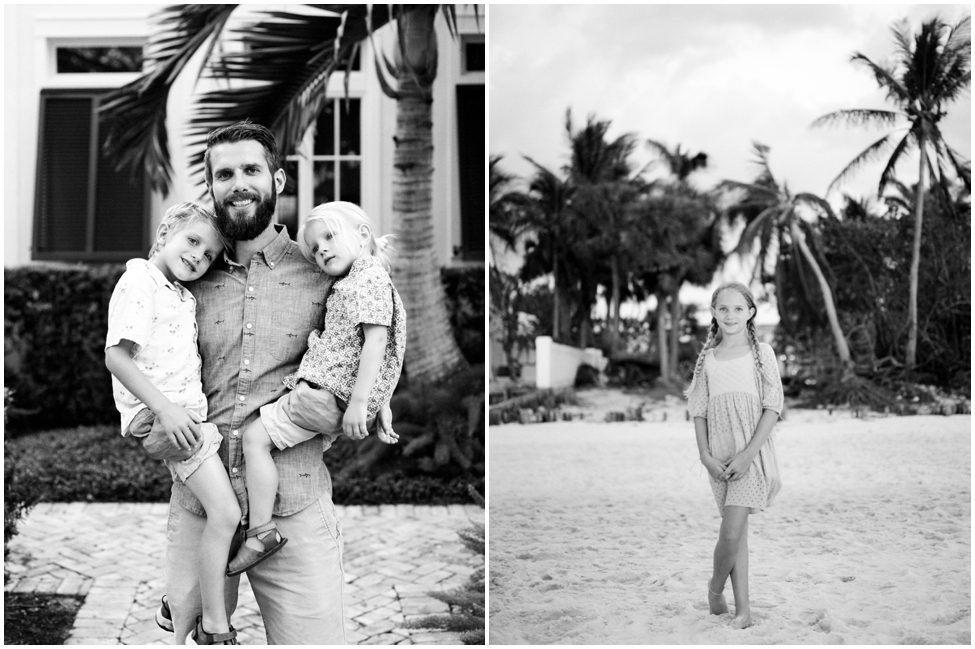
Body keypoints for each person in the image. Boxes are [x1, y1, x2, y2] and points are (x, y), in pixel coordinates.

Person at [141, 121, 395, 644]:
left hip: (295, 506)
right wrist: (153, 426)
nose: (239, 183)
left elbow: (377, 335)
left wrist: (358, 404)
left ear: (277, 178)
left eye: (251, 169)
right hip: (200, 504)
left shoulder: (325, 270)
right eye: (224, 173)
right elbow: (141, 359)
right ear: (210, 187)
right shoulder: (188, 274)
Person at [227, 201, 405, 576]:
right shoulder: (361, 277)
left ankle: (259, 532)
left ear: (361, 235)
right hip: (332, 395)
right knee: (261, 440)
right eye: (314, 248)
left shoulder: (367, 277)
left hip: (328, 396)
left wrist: (360, 405)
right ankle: (256, 523)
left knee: (254, 440)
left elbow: (377, 341)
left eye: (328, 236)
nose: (321, 249)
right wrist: (382, 401)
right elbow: (382, 350)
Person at [104, 202, 241, 644]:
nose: (198, 257)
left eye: (208, 255)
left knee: (214, 514)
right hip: (165, 420)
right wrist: (163, 409)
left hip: (185, 419)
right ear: (165, 233)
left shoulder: (178, 292)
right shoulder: (140, 281)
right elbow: (116, 356)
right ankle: (215, 626)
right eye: (192, 241)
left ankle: (175, 601)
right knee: (227, 514)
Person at [684, 282, 783, 630]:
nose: (730, 315)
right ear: (713, 312)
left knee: (730, 534)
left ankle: (714, 591)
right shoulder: (707, 360)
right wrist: (704, 456)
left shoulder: (763, 354)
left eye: (738, 309)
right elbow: (698, 409)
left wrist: (747, 454)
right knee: (735, 533)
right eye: (723, 309)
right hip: (719, 456)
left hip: (750, 454)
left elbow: (773, 407)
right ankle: (744, 609)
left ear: (751, 313)